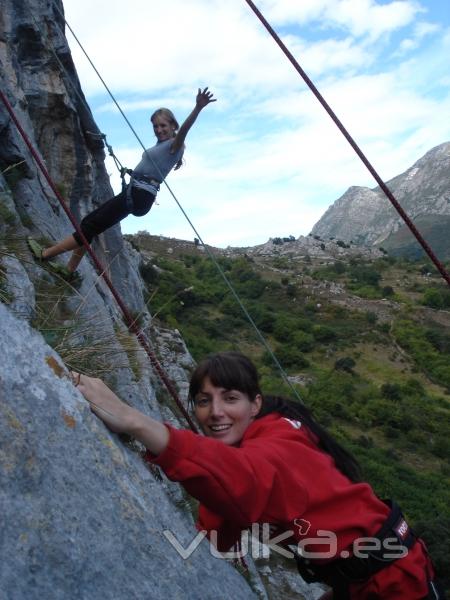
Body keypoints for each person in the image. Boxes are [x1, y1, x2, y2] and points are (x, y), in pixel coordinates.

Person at [73, 351, 443, 600]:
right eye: (203, 401)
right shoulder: (265, 434)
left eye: (230, 398)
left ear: (256, 404)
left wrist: (136, 421)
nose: (215, 412)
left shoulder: (280, 445)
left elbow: (247, 477)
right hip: (368, 573)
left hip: (392, 582)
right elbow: (224, 514)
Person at [28, 87, 216, 276]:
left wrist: (197, 108)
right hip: (136, 191)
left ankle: (46, 254)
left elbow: (184, 130)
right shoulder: (161, 146)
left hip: (140, 194)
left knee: (91, 226)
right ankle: (69, 269)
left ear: (173, 126)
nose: (159, 130)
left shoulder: (175, 146)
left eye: (163, 126)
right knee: (90, 222)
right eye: (156, 127)